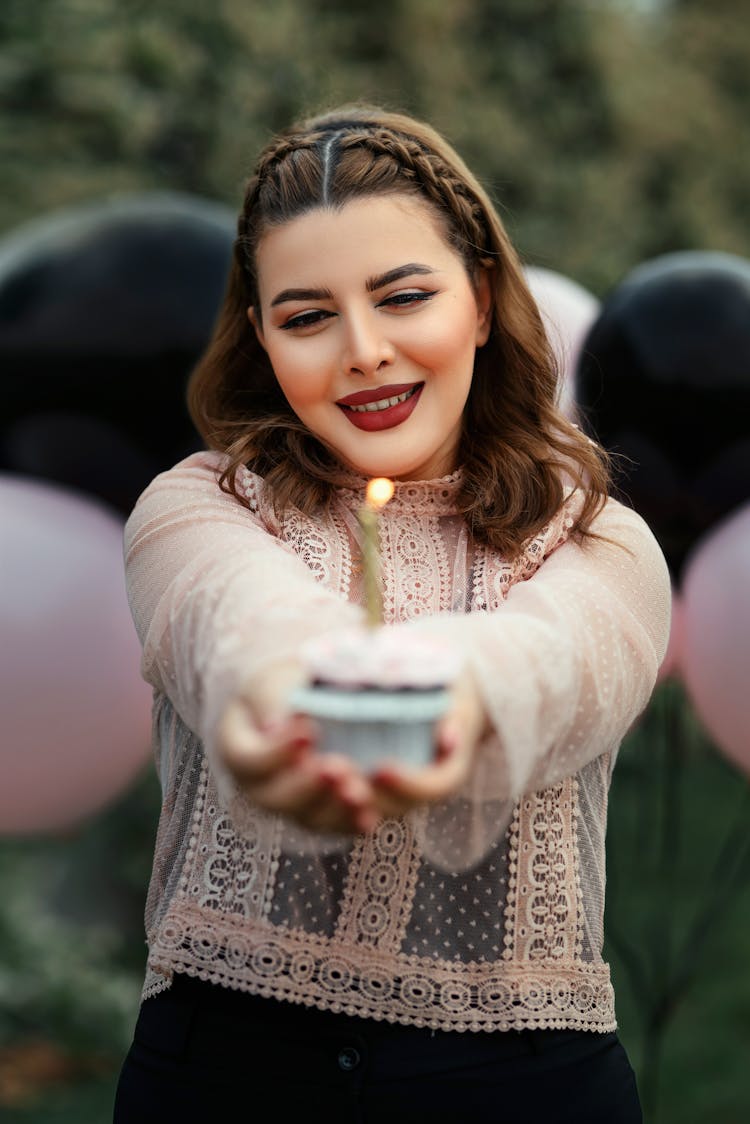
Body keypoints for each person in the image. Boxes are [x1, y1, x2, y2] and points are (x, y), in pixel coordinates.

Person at [114, 104, 670, 1123]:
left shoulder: (600, 539)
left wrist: (427, 703)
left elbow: (543, 664)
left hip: (520, 1089)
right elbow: (235, 619)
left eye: (403, 295)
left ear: (485, 300)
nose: (363, 351)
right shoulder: (197, 503)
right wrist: (289, 702)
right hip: (228, 1072)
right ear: (263, 338)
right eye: (307, 315)